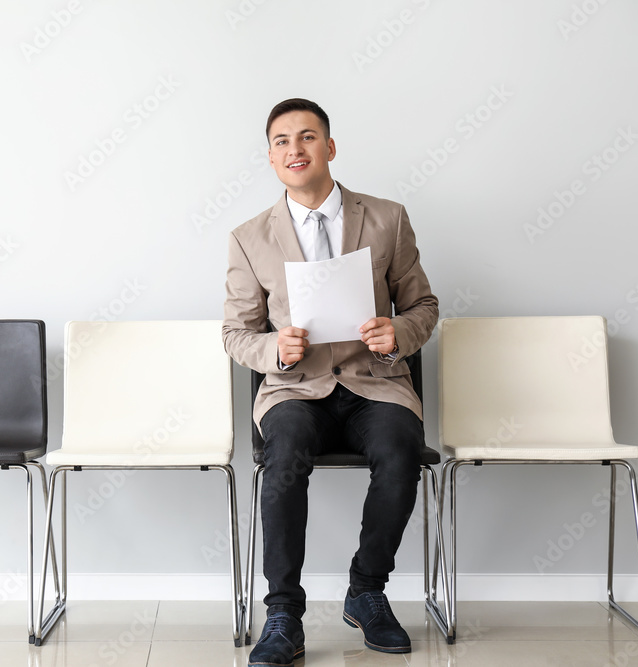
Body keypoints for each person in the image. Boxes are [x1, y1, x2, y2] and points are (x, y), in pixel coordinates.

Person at [222, 98, 438, 665]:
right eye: (281, 141)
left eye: (308, 137)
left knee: (401, 448)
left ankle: (367, 590)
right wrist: (276, 348)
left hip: (375, 382)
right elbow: (236, 334)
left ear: (330, 147)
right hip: (295, 390)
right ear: (271, 158)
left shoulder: (387, 218)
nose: (295, 149)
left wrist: (398, 332)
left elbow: (424, 306)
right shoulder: (249, 237)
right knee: (284, 453)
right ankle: (283, 614)